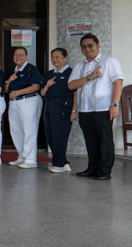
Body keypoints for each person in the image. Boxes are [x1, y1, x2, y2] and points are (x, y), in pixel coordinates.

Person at [67, 33, 124, 180]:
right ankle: (92, 168)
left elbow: (118, 83)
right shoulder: (79, 66)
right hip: (85, 110)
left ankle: (105, 171)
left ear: (98, 45)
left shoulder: (109, 62)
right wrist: (88, 77)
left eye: (90, 45)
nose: (87, 48)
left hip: (103, 108)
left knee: (105, 140)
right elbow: (71, 85)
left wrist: (114, 104)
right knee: (90, 140)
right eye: (84, 46)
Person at [40, 48, 78, 173]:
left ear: (65, 57)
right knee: (50, 135)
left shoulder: (71, 72)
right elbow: (42, 93)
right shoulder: (50, 74)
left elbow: (76, 93)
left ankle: (59, 163)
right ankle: (64, 162)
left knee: (60, 136)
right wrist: (47, 85)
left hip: (63, 106)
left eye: (58, 57)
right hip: (49, 105)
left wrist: (74, 111)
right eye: (52, 57)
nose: (54, 60)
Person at [4, 47, 42, 169]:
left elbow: (36, 86)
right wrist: (8, 81)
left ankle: (31, 160)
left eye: (21, 54)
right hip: (14, 103)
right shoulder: (12, 71)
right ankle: (22, 157)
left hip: (28, 101)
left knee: (29, 131)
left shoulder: (32, 69)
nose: (18, 57)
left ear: (26, 56)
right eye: (15, 54)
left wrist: (17, 92)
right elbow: (5, 90)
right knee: (16, 131)